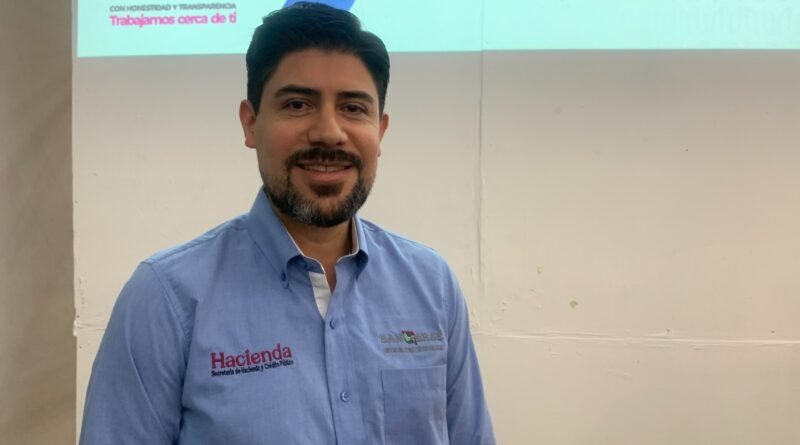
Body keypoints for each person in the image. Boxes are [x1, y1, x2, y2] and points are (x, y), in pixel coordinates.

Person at [80, 3, 495, 444]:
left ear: (381, 131)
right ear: (250, 123)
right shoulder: (165, 298)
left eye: (354, 108)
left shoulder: (432, 285)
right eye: (298, 104)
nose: (329, 132)